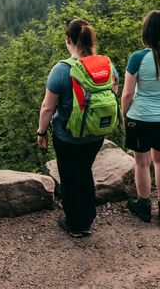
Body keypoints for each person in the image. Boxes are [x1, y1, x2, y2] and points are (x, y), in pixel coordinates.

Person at [37, 19, 118, 238]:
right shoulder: (107, 66)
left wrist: (41, 132)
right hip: (95, 135)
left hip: (67, 136)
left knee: (69, 176)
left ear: (69, 41)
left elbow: (47, 107)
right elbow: (113, 92)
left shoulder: (62, 70)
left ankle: (74, 222)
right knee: (84, 171)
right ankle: (88, 217)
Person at [122, 10, 160, 223]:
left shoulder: (137, 58)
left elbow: (127, 93)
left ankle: (144, 206)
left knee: (142, 163)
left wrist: (124, 114)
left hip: (141, 118)